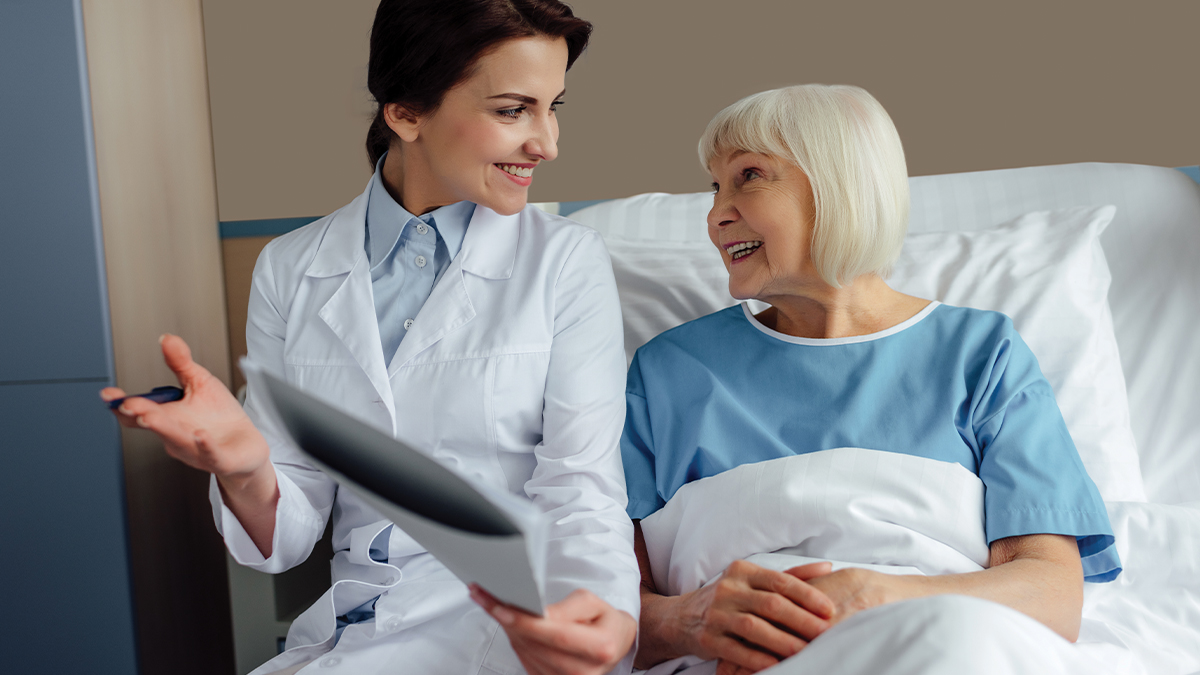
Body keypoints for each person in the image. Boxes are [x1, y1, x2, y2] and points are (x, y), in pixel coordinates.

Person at [101, 2, 638, 673]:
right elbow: (287, 534)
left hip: (511, 626)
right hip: (354, 630)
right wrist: (243, 464)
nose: (548, 142)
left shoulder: (565, 262)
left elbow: (582, 490)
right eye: (513, 110)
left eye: (553, 106)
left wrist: (608, 620)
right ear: (406, 113)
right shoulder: (290, 268)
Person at [620, 85, 1121, 675]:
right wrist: (693, 622)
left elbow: (1051, 596)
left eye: (748, 176)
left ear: (840, 184)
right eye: (715, 186)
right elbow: (603, 608)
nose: (715, 214)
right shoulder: (669, 371)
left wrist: (871, 598)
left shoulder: (982, 354)